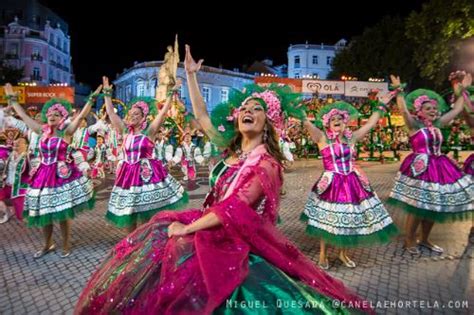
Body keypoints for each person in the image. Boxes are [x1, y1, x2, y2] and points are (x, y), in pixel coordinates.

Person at [74, 45, 372, 315]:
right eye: (245, 108)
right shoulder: (231, 148)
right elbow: (202, 116)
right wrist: (191, 75)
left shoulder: (267, 163)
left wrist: (187, 227)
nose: (248, 111)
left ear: (268, 122)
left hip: (233, 242)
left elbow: (235, 208)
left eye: (258, 109)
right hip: (207, 227)